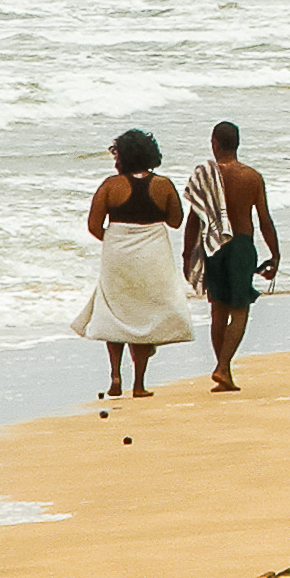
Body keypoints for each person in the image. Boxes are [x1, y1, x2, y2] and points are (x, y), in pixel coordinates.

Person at [74, 129, 196, 398]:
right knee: (144, 314)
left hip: (117, 256)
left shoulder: (110, 185)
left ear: (122, 156)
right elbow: (176, 221)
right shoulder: (163, 185)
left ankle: (115, 376)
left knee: (116, 312)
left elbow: (94, 226)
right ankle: (139, 384)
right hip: (153, 256)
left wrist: (117, 241)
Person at [182, 121, 280, 394]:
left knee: (218, 310)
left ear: (214, 142)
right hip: (241, 246)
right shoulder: (252, 177)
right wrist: (275, 254)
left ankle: (222, 368)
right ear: (237, 143)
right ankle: (223, 367)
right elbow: (264, 220)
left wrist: (186, 255)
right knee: (240, 311)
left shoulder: (205, 177)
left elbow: (194, 220)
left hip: (213, 246)